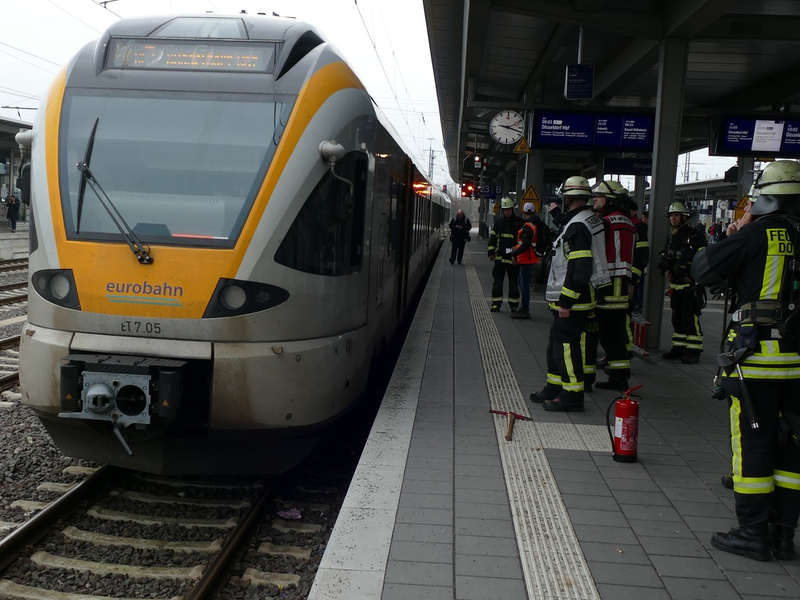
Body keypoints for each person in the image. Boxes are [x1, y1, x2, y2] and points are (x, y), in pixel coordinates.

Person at [692, 160, 800, 561]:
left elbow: (703, 270)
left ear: (765, 198)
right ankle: (783, 536)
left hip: (757, 362)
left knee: (753, 446)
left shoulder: (756, 233)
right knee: (791, 449)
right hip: (798, 363)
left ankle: (752, 533)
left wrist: (735, 231)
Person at [529, 176, 609, 411]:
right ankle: (554, 388)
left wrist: (566, 300)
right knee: (556, 344)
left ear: (568, 198)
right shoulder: (587, 219)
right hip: (576, 298)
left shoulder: (578, 226)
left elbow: (580, 266)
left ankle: (572, 397)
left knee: (566, 348)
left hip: (574, 301)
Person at [590, 180, 636, 390]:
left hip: (605, 286)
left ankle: (596, 378)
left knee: (600, 334)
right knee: (615, 335)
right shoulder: (628, 223)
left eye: (598, 196)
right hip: (621, 287)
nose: (594, 199)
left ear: (610, 200)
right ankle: (619, 377)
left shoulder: (605, 222)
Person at [658, 201, 706, 364]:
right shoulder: (673, 236)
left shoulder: (694, 235)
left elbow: (702, 257)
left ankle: (693, 351)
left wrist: (692, 275)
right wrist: (666, 270)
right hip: (676, 284)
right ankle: (678, 348)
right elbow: (667, 255)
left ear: (684, 217)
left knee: (689, 318)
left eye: (676, 215)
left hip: (690, 285)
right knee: (676, 318)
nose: (673, 218)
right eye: (671, 216)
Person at [509, 202, 546, 320]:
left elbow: (525, 244)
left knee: (524, 285)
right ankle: (524, 308)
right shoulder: (536, 224)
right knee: (522, 282)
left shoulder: (528, 226)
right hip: (530, 258)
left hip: (526, 259)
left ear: (524, 212)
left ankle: (525, 310)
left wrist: (514, 253)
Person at [487, 197, 524, 313]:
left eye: (508, 209)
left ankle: (513, 305)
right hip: (500, 258)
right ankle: (496, 304)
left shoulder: (520, 223)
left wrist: (517, 254)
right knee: (497, 282)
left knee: (513, 283)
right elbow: (493, 238)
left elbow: (522, 241)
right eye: (505, 210)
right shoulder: (498, 222)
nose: (507, 211)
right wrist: (491, 251)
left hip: (514, 258)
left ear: (512, 209)